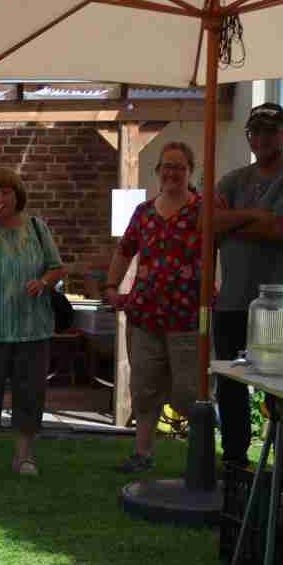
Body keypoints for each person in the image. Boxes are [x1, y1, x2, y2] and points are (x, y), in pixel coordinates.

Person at [211, 102, 283, 471]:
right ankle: (235, 459)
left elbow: (280, 230)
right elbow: (207, 223)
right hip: (231, 299)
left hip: (280, 301)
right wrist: (254, 215)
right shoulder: (233, 179)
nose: (261, 137)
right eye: (255, 131)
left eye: (270, 131)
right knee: (230, 384)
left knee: (281, 385)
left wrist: (232, 221)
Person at [0, 168, 68, 476]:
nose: (0, 198)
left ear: (17, 195)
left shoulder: (36, 227)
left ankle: (24, 458)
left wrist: (44, 282)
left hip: (31, 328)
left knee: (29, 393)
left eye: (6, 192)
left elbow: (57, 267)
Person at [104, 142, 203, 473]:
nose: (173, 172)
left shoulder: (205, 210)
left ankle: (202, 459)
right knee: (145, 388)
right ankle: (143, 454)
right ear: (157, 172)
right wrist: (110, 286)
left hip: (188, 316)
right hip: (145, 314)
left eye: (180, 166)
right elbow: (124, 250)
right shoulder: (144, 212)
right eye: (167, 166)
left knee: (190, 392)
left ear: (191, 172)